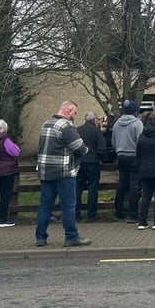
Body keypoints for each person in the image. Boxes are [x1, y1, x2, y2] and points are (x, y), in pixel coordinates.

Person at [35, 101, 90, 247]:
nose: (74, 116)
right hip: (63, 172)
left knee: (45, 205)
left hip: (45, 171)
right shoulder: (66, 126)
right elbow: (79, 147)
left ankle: (40, 237)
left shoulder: (45, 124)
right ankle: (71, 236)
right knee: (68, 205)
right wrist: (86, 150)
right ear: (69, 110)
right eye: (75, 113)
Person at [112, 100, 143, 223]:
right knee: (135, 186)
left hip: (121, 156)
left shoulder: (117, 124)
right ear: (135, 111)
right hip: (134, 156)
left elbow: (113, 142)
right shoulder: (137, 123)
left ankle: (118, 211)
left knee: (122, 184)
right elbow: (140, 141)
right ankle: (132, 214)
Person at [76, 111, 106, 221]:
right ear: (94, 120)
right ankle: (91, 214)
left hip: (79, 162)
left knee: (77, 188)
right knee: (93, 188)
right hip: (93, 162)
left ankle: (76, 213)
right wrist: (99, 158)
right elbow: (102, 148)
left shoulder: (77, 130)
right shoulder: (97, 132)